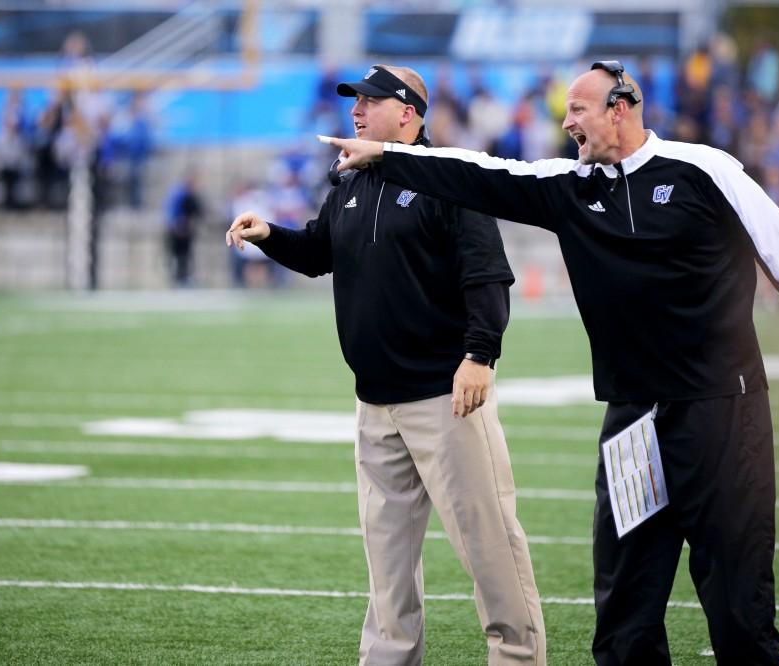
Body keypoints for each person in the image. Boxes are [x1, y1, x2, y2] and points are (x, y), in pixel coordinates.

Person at [322, 60, 779, 666]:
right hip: (633, 418)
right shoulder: (571, 186)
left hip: (722, 408)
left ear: (620, 108)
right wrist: (385, 155)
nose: (567, 124)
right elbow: (483, 174)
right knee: (626, 602)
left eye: (578, 110)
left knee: (737, 591)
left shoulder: (703, 168)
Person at [227, 64, 545, 666]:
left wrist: (480, 356)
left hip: (444, 399)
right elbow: (322, 252)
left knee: (491, 550)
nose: (356, 110)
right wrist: (270, 234)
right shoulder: (350, 178)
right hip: (374, 402)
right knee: (387, 565)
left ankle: (519, 659)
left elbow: (487, 276)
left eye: (370, 100)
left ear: (407, 112)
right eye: (355, 100)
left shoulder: (451, 176)